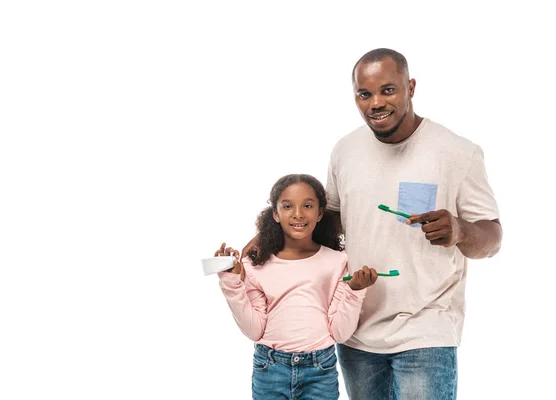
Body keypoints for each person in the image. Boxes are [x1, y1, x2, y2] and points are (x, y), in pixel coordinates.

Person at [324, 48, 503, 399]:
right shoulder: (345, 150)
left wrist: (461, 230)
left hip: (426, 329)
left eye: (388, 90)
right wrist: (270, 239)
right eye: (365, 94)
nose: (376, 102)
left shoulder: (457, 152)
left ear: (411, 87)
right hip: (357, 330)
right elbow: (329, 224)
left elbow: (493, 237)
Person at [214, 174, 378, 400]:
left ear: (320, 213)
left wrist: (355, 292)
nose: (298, 214)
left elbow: (340, 333)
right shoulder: (254, 265)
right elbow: (254, 330)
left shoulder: (337, 262)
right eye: (287, 206)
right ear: (275, 213)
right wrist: (231, 283)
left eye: (308, 206)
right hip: (270, 370)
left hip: (320, 370)